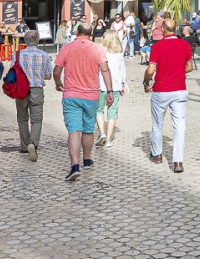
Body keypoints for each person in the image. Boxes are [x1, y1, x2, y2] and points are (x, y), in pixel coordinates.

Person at [52, 24, 108, 183]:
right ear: (91, 33)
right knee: (89, 130)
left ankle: (75, 166)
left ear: (76, 32)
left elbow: (57, 71)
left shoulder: (67, 47)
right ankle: (88, 160)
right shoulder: (98, 49)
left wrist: (58, 83)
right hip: (91, 96)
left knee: (74, 131)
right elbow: (105, 70)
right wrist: (110, 91)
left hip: (71, 95)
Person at [145, 16, 195, 174]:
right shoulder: (184, 45)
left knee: (157, 124)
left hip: (161, 91)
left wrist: (146, 82)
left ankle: (157, 154)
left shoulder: (158, 46)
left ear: (164, 30)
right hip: (179, 91)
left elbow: (150, 70)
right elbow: (189, 67)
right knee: (179, 126)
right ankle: (178, 162)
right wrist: (178, 71)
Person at [12, 34, 53, 162]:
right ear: (37, 40)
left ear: (25, 40)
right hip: (37, 89)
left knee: (22, 118)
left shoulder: (17, 55)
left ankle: (24, 146)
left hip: (21, 89)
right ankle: (33, 143)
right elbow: (48, 75)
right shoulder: (44, 55)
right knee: (37, 119)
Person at [98, 27, 127, 149]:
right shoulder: (119, 54)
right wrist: (122, 84)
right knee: (112, 113)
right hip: (115, 86)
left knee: (99, 110)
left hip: (101, 85)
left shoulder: (100, 52)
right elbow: (122, 71)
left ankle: (102, 133)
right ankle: (109, 139)